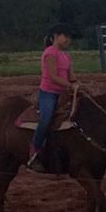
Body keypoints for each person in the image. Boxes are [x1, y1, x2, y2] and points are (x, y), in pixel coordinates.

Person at [27, 24, 79, 172]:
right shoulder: (50, 53)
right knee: (46, 118)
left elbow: (72, 76)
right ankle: (34, 151)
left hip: (64, 93)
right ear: (55, 36)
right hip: (48, 93)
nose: (68, 39)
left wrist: (79, 85)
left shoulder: (66, 56)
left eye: (70, 37)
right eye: (66, 36)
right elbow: (53, 76)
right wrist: (71, 86)